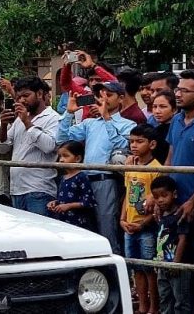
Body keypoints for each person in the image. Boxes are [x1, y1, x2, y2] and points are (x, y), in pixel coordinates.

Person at [57, 81, 136, 254]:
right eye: (101, 95)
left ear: (121, 98)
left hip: (105, 179)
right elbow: (62, 139)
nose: (104, 98)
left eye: (109, 94)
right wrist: (69, 113)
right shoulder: (90, 123)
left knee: (107, 228)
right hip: (83, 179)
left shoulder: (128, 125)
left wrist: (107, 117)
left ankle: (113, 270)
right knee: (83, 227)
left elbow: (122, 145)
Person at [164, 69, 194, 310]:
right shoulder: (177, 120)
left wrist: (193, 200)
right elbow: (171, 156)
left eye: (184, 90)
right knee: (182, 266)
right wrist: (158, 190)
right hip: (177, 206)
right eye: (177, 89)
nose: (178, 94)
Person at [0, 76, 60, 216]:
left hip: (39, 190)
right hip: (16, 189)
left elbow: (49, 146)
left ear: (40, 94)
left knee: (40, 234)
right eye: (18, 97)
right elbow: (2, 148)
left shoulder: (53, 118)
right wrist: (3, 125)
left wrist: (27, 123)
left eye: (26, 95)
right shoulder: (20, 120)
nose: (21, 101)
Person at [120, 124, 161, 314]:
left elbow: (160, 202)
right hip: (130, 225)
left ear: (152, 144)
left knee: (149, 268)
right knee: (136, 267)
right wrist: (122, 219)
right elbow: (127, 194)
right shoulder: (131, 166)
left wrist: (143, 223)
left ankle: (154, 307)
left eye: (139, 141)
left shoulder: (156, 169)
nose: (134, 145)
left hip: (147, 226)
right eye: (131, 142)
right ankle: (143, 306)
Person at [152, 176, 191, 314]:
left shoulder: (179, 214)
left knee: (181, 301)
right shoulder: (161, 216)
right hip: (163, 265)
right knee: (165, 298)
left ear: (174, 194)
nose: (160, 200)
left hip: (177, 266)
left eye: (164, 195)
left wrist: (176, 262)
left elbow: (183, 239)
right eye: (156, 197)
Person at [47, 141, 96, 230]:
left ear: (77, 158)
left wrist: (68, 206)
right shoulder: (63, 178)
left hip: (77, 223)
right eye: (60, 156)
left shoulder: (81, 177)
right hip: (63, 221)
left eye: (65, 156)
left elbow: (88, 202)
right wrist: (55, 202)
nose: (61, 160)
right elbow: (64, 198)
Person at [151, 90, 176, 163]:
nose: (157, 111)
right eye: (154, 107)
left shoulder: (176, 129)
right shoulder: (155, 130)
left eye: (163, 107)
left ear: (174, 109)